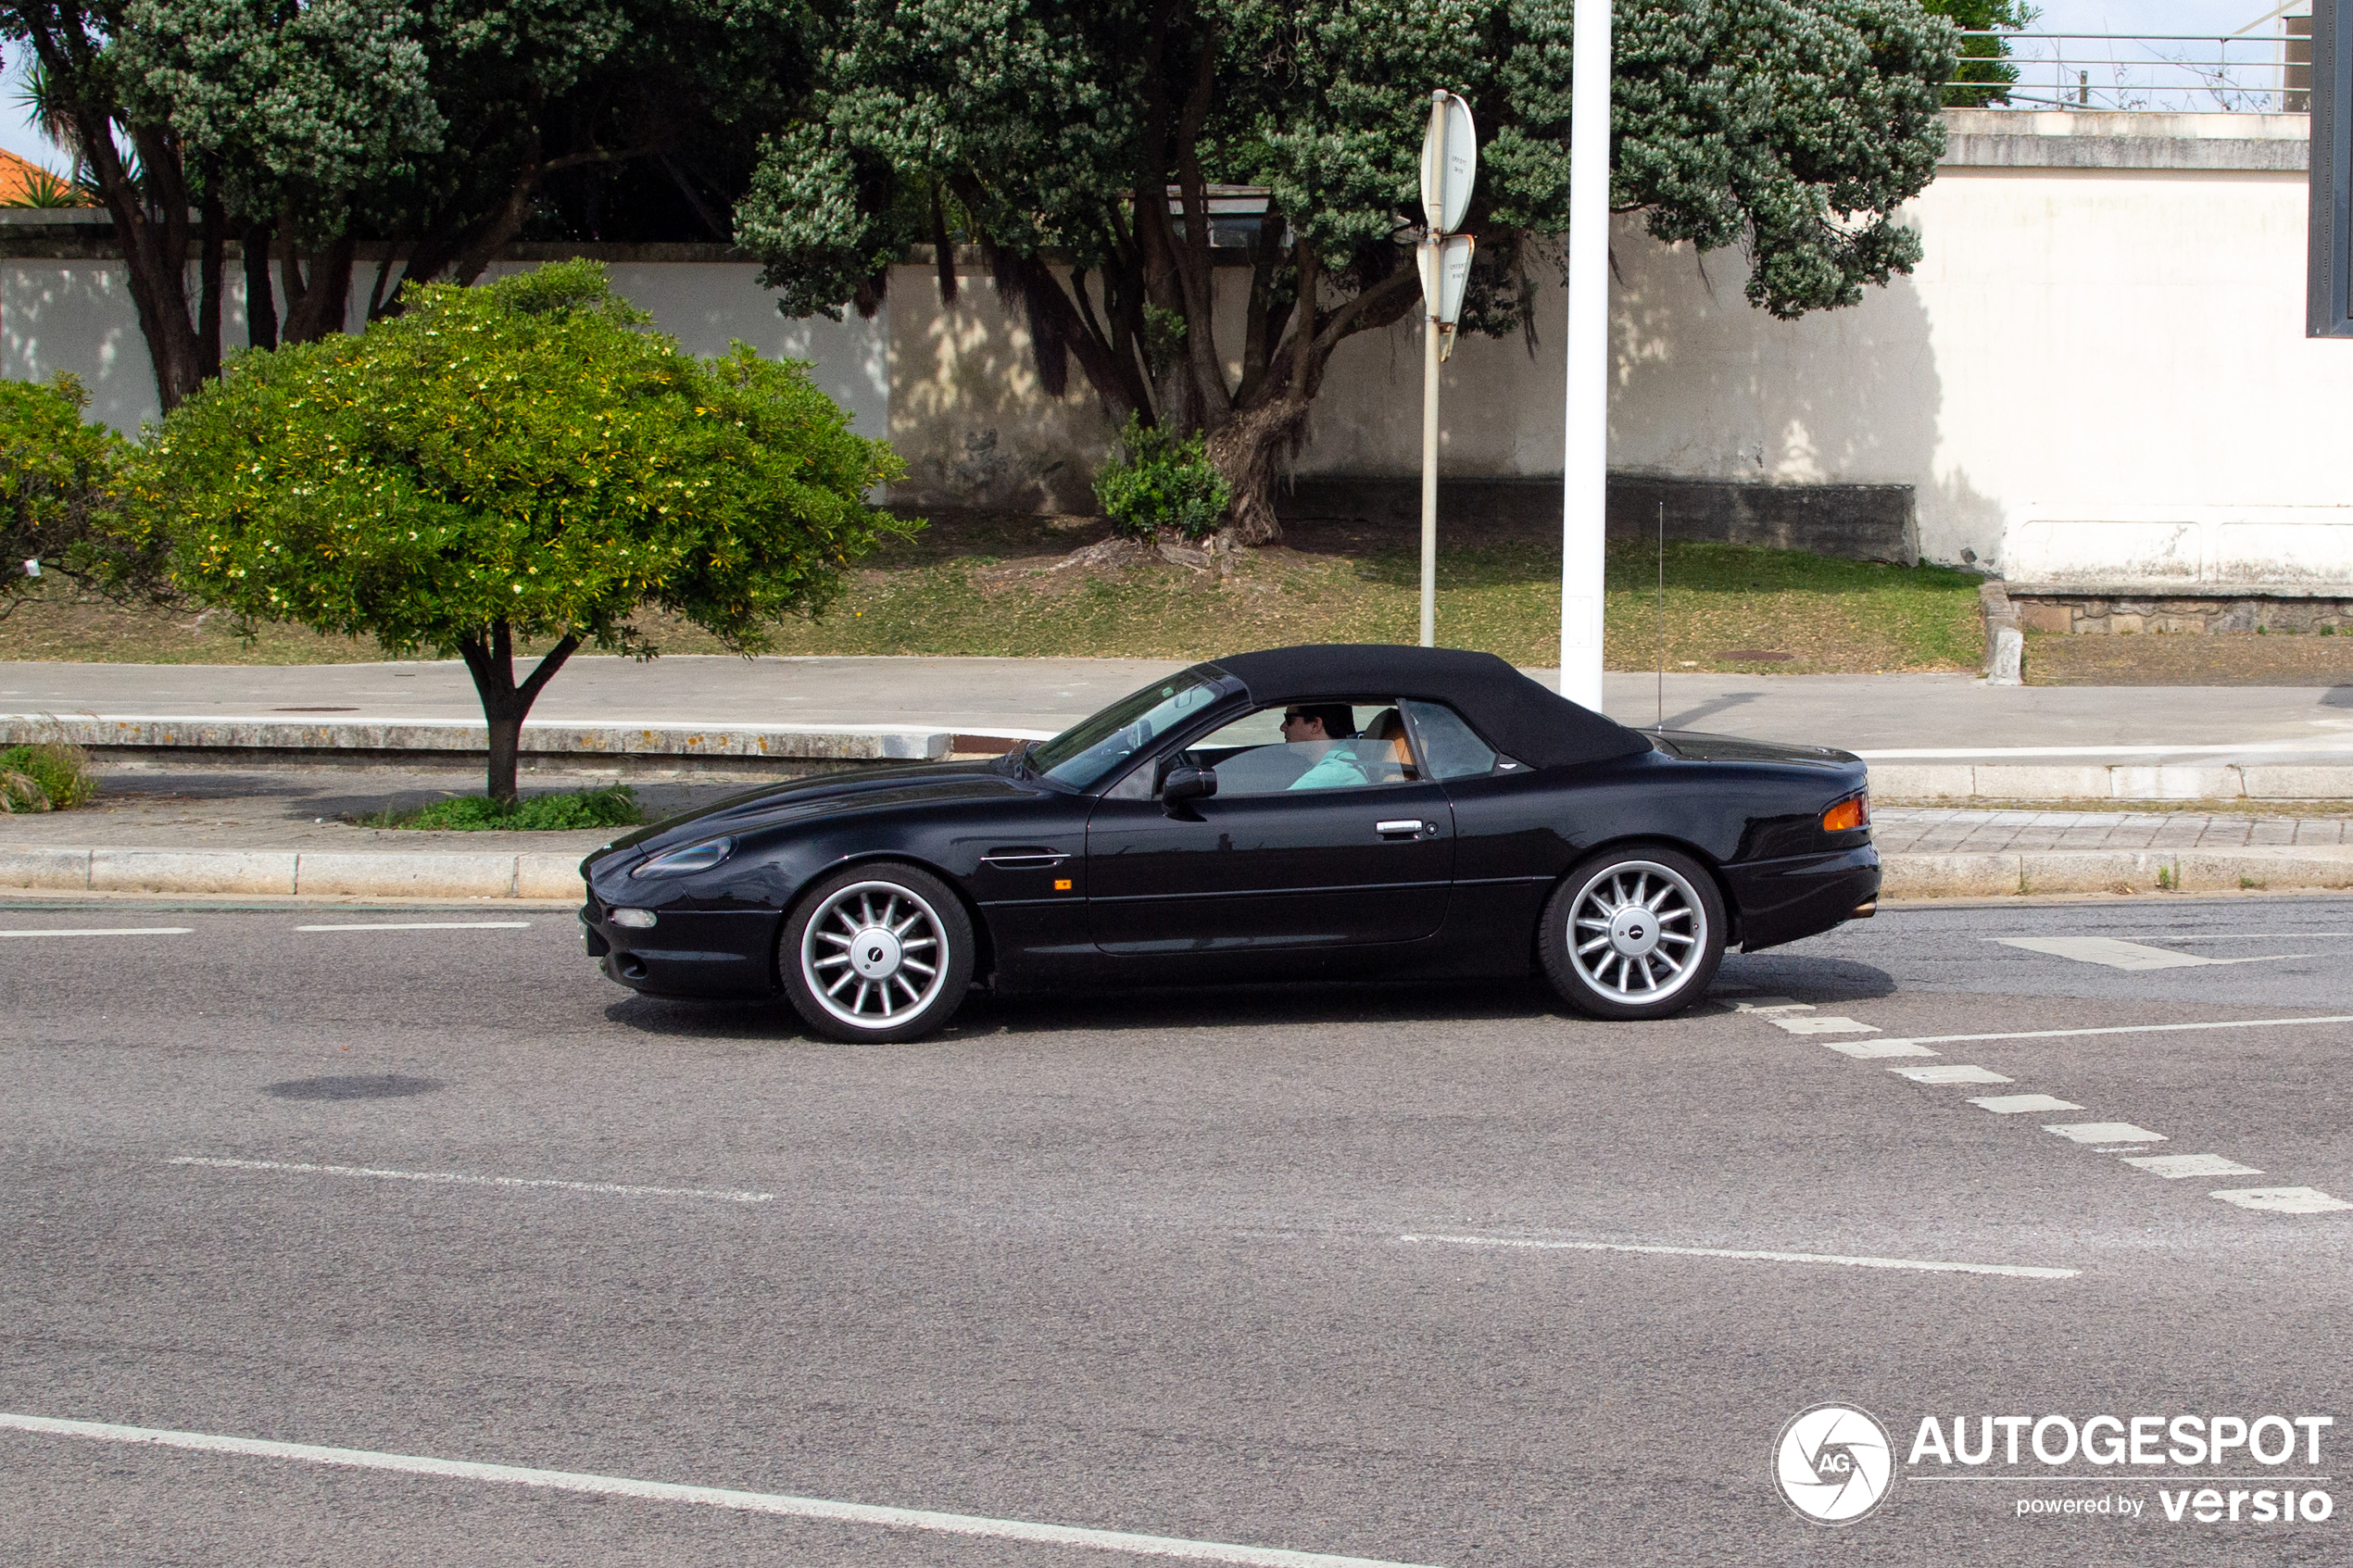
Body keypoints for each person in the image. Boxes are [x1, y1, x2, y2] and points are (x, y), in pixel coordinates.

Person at [1278, 704, 1367, 791]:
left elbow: (1278, 804)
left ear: (1315, 725)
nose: (1282, 727)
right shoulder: (1343, 763)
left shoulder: (1334, 773)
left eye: (1289, 719)